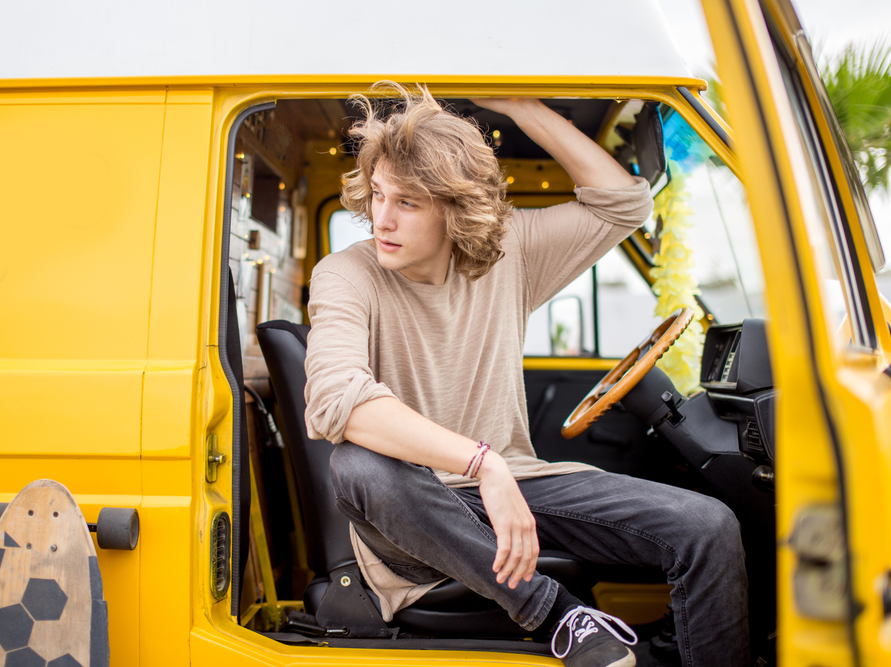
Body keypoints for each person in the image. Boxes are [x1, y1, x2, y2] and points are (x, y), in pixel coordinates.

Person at [303, 83, 748, 667]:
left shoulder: (510, 252)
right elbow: (338, 399)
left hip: (519, 484)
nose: (381, 219)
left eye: (407, 202)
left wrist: (520, 105)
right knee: (359, 465)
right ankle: (561, 616)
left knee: (709, 526)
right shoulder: (345, 274)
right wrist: (482, 463)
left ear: (456, 208)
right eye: (379, 195)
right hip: (416, 515)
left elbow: (623, 203)